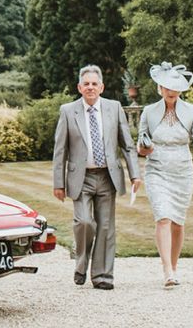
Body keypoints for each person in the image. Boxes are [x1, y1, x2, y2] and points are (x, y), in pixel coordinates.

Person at [53, 65, 141, 290]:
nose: (90, 88)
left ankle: (103, 276)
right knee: (84, 222)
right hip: (80, 178)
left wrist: (135, 174)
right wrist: (58, 183)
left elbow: (127, 145)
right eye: (86, 84)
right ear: (79, 87)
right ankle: (81, 262)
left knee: (105, 228)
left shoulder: (114, 108)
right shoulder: (68, 111)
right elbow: (60, 151)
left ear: (101, 87)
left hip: (107, 176)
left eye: (94, 84)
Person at [137, 62, 193, 288]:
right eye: (167, 87)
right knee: (163, 217)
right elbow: (141, 145)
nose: (171, 91)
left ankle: (174, 267)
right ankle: (167, 269)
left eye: (175, 88)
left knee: (177, 222)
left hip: (182, 169)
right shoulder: (148, 112)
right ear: (160, 88)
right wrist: (145, 148)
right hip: (156, 168)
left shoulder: (191, 111)